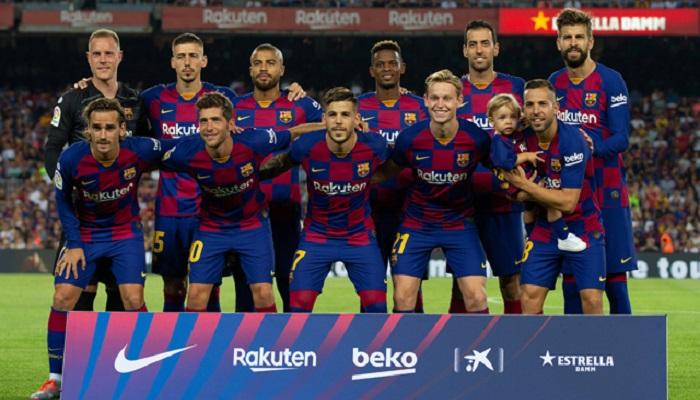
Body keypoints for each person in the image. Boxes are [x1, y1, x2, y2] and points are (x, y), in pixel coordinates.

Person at [31, 98, 164, 400]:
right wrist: (74, 244)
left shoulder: (140, 149)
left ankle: (145, 373)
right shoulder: (71, 158)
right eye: (97, 128)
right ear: (88, 130)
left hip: (125, 234)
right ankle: (55, 380)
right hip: (86, 235)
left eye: (109, 128)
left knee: (133, 298)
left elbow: (176, 148)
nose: (103, 135)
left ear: (122, 129)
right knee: (63, 296)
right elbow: (62, 201)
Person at [160, 92, 320, 312]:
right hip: (211, 228)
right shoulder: (186, 151)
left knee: (263, 292)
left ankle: (268, 336)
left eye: (216, 120)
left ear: (230, 124)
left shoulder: (254, 141)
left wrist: (331, 127)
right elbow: (149, 155)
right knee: (196, 295)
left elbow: (294, 132)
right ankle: (196, 337)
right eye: (204, 121)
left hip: (251, 226)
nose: (209, 127)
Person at [44, 28, 148, 313]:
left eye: (109, 53)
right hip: (82, 216)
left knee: (121, 294)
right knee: (79, 292)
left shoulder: (135, 100)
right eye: (97, 54)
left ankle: (117, 345)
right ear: (88, 58)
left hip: (120, 216)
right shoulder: (72, 99)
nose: (103, 60)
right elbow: (52, 149)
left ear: (119, 57)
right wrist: (65, 186)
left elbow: (147, 148)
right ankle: (76, 345)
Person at [260, 87, 389, 313]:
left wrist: (371, 178)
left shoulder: (374, 145)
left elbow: (397, 166)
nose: (338, 121)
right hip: (316, 237)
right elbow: (276, 165)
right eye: (332, 115)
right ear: (324, 119)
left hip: (359, 236)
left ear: (356, 119)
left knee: (377, 306)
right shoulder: (307, 145)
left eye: (345, 115)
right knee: (298, 306)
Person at [140, 32, 238, 312]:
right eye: (181, 56)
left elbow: (257, 111)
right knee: (172, 286)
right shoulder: (153, 98)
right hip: (170, 211)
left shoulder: (223, 98)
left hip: (209, 211)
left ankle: (211, 340)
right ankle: (175, 340)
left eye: (193, 56)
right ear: (172, 62)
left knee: (209, 287)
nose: (187, 62)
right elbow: (117, 108)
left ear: (203, 61)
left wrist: (293, 92)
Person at [379, 69, 490, 314]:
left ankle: (479, 341)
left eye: (447, 98)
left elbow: (500, 167)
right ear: (426, 101)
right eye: (435, 98)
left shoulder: (477, 139)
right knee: (402, 296)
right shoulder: (410, 139)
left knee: (476, 295)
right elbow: (386, 172)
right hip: (417, 224)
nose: (441, 104)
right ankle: (407, 341)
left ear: (459, 101)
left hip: (459, 224)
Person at [549, 8, 636, 314]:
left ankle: (625, 343)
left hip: (606, 190)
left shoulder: (610, 80)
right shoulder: (554, 83)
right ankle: (574, 343)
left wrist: (592, 147)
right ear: (559, 42)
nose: (573, 42)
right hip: (572, 193)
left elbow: (622, 138)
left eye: (579, 37)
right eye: (567, 37)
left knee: (615, 281)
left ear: (590, 41)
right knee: (572, 279)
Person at [230, 43, 323, 312]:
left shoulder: (301, 105)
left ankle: (292, 337)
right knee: (246, 286)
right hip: (244, 212)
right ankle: (245, 338)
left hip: (285, 209)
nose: (263, 68)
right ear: (250, 70)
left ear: (282, 69)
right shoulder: (234, 106)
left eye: (270, 63)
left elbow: (333, 123)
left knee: (288, 281)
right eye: (258, 63)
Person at [502, 79, 605, 315]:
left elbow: (567, 202)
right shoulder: (520, 139)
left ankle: (595, 341)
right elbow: (511, 191)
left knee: (591, 300)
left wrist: (525, 185)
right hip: (544, 228)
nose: (536, 110)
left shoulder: (573, 141)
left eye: (543, 104)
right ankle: (534, 342)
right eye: (530, 104)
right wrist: (520, 189)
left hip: (583, 226)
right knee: (529, 295)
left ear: (556, 107)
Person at [453, 20, 525, 314]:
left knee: (511, 282)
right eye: (473, 44)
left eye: (485, 43)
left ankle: (517, 339)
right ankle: (458, 341)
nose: (479, 50)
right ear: (465, 50)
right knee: (462, 284)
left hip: (504, 203)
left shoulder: (516, 87)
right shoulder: (453, 91)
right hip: (463, 204)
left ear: (496, 48)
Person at [357, 40, 427, 312]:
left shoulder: (420, 107)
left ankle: (414, 336)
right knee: (371, 286)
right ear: (371, 71)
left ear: (402, 68)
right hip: (368, 211)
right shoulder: (358, 108)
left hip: (410, 211)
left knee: (409, 286)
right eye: (380, 64)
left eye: (392, 63)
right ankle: (369, 338)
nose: (386, 68)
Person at [488, 93, 586, 252]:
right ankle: (563, 236)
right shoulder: (499, 141)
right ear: (492, 121)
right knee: (550, 201)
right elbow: (503, 162)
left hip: (524, 179)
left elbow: (523, 123)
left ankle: (531, 236)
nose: (508, 122)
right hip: (516, 182)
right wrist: (526, 156)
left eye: (513, 117)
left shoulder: (514, 134)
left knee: (530, 209)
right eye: (502, 118)